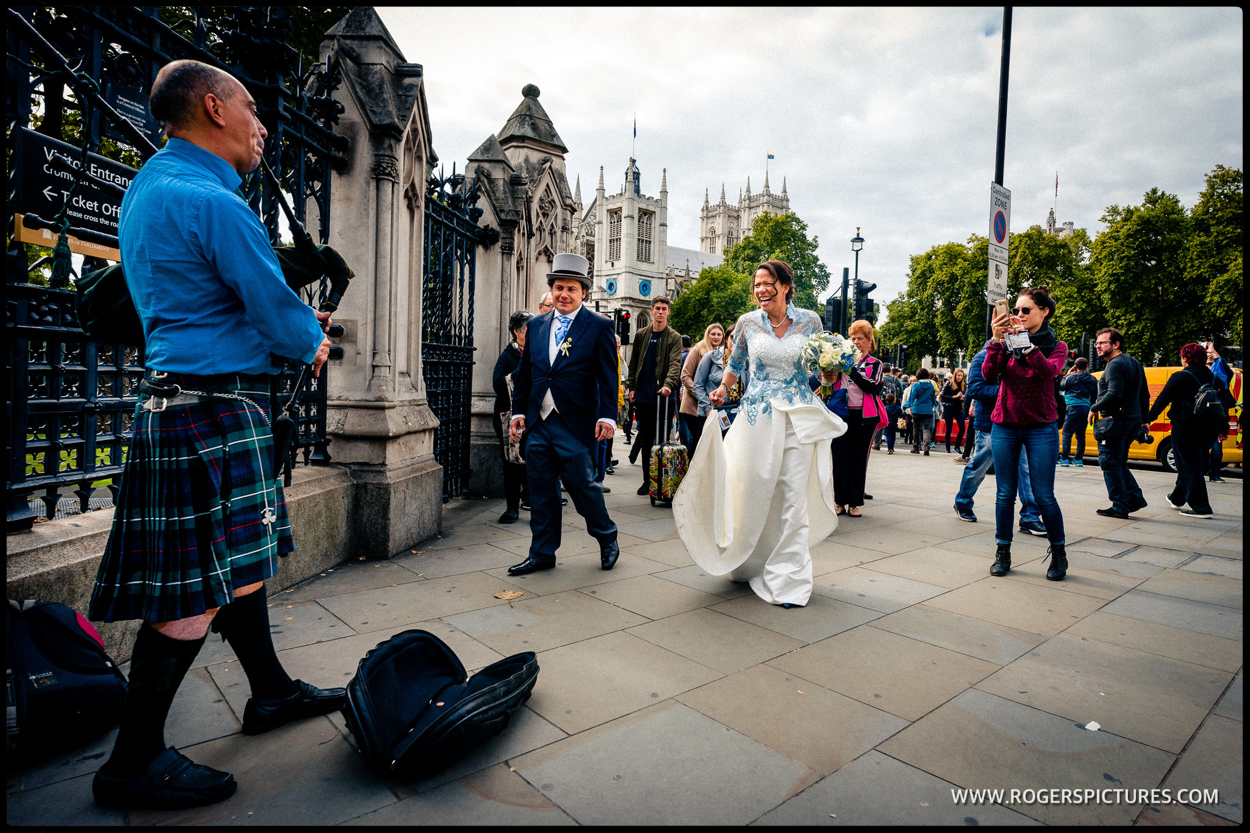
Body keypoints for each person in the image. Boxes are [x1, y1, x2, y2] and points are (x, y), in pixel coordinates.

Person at [86, 60, 344, 810]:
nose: (263, 125)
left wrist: (276, 326)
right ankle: (132, 762)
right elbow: (270, 301)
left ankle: (269, 691)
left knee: (242, 563)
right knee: (193, 595)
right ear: (213, 108)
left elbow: (194, 295)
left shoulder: (150, 188)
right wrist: (309, 339)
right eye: (252, 107)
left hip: (177, 400)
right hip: (209, 409)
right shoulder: (217, 204)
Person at [676, 260, 845, 608]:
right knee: (752, 490)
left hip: (799, 417)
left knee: (794, 496)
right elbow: (735, 365)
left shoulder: (811, 320)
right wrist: (723, 389)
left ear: (784, 286)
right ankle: (753, 557)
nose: (761, 290)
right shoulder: (747, 323)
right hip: (757, 417)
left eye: (767, 283)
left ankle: (791, 581)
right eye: (756, 285)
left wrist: (829, 374)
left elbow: (819, 369)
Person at [508, 254, 619, 575]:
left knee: (583, 487)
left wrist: (608, 417)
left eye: (571, 288)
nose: (564, 294)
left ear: (584, 292)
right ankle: (542, 553)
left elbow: (608, 377)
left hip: (576, 423)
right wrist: (518, 412)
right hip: (539, 424)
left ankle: (607, 537)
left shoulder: (598, 327)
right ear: (552, 289)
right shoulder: (536, 326)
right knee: (542, 492)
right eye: (558, 287)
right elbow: (525, 374)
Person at [984, 287, 1069, 580]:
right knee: (1005, 493)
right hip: (1006, 423)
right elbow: (988, 375)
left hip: (1041, 426)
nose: (1018, 316)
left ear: (1044, 312)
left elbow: (1047, 372)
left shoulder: (1057, 346)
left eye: (1025, 310)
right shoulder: (1003, 342)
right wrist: (996, 341)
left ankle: (1058, 553)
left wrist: (1024, 344)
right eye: (1015, 311)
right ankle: (1002, 551)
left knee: (1044, 495)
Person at [954, 344, 1046, 536]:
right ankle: (963, 501)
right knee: (981, 464)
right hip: (990, 422)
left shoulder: (1023, 354)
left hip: (1019, 421)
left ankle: (1030, 516)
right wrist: (1010, 391)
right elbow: (976, 390)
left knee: (1025, 469)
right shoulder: (983, 356)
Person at [1146, 344, 1222, 518]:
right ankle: (1177, 498)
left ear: (1185, 358)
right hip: (1210, 428)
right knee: (1192, 463)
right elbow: (1225, 404)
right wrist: (1222, 429)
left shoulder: (1180, 377)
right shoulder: (1214, 378)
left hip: (1186, 427)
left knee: (1189, 465)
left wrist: (1146, 420)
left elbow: (1161, 402)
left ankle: (1201, 507)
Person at [1089, 327, 1150, 520]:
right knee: (1118, 462)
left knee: (1108, 462)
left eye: (1102, 343)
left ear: (1116, 345)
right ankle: (1134, 498)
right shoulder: (1135, 363)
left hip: (1115, 422)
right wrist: (1144, 420)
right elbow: (1144, 395)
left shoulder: (1114, 365)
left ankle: (1120, 505)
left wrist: (1094, 407)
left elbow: (1114, 394)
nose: (1097, 346)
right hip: (1132, 421)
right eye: (1096, 343)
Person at [624, 297, 683, 496]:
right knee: (646, 441)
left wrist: (668, 385)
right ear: (651, 310)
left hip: (664, 398)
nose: (660, 312)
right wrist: (631, 387)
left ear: (669, 312)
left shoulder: (674, 337)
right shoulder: (642, 335)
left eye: (664, 309)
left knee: (662, 441)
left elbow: (675, 364)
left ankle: (662, 479)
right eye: (657, 308)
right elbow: (634, 363)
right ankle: (647, 481)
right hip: (644, 396)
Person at [828, 319, 885, 517]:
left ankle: (854, 503)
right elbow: (827, 383)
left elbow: (873, 387)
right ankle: (839, 502)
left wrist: (851, 369)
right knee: (839, 457)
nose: (856, 342)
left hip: (863, 416)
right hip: (840, 414)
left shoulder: (875, 364)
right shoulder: (838, 361)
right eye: (853, 338)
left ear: (870, 342)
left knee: (858, 459)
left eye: (860, 338)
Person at [492, 311, 534, 523]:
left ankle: (530, 500)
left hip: (533, 416)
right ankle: (511, 508)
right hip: (509, 418)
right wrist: (520, 371)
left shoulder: (537, 352)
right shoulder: (508, 355)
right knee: (511, 463)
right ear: (517, 331)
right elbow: (498, 384)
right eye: (528, 328)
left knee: (533, 460)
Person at [680, 323, 725, 459]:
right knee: (699, 439)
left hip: (713, 403)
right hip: (693, 404)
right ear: (707, 335)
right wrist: (699, 393)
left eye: (719, 334)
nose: (716, 337)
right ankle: (692, 472)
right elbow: (685, 375)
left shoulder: (724, 353)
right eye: (713, 334)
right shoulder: (698, 350)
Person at [1058, 356, 1098, 467]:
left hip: (1073, 407)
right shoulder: (1093, 379)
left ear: (1075, 366)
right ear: (1087, 366)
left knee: (1067, 433)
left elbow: (1061, 387)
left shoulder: (1071, 378)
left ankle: (1065, 458)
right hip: (1086, 408)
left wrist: (1067, 374)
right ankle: (1079, 459)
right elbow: (1094, 395)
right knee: (1081, 434)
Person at [1205, 343, 1234, 482]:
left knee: (1216, 449)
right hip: (1202, 418)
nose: (1209, 356)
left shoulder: (1221, 375)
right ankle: (1200, 472)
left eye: (1211, 356)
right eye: (1206, 355)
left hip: (1216, 418)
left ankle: (1214, 474)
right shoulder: (1198, 373)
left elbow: (1229, 372)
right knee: (1201, 448)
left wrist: (1213, 351)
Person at [907, 368, 937, 454]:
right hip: (927, 409)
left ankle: (916, 447)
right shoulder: (931, 386)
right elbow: (933, 398)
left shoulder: (916, 385)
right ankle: (926, 447)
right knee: (926, 428)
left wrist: (907, 406)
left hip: (917, 409)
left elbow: (912, 397)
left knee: (916, 428)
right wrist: (933, 405)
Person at [940, 368, 968, 454]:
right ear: (955, 375)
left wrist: (962, 398)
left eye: (961, 376)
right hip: (949, 407)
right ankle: (947, 447)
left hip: (958, 408)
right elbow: (943, 395)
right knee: (949, 427)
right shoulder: (949, 383)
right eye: (958, 375)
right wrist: (954, 397)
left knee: (962, 427)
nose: (959, 377)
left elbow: (964, 397)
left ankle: (957, 446)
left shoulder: (963, 385)